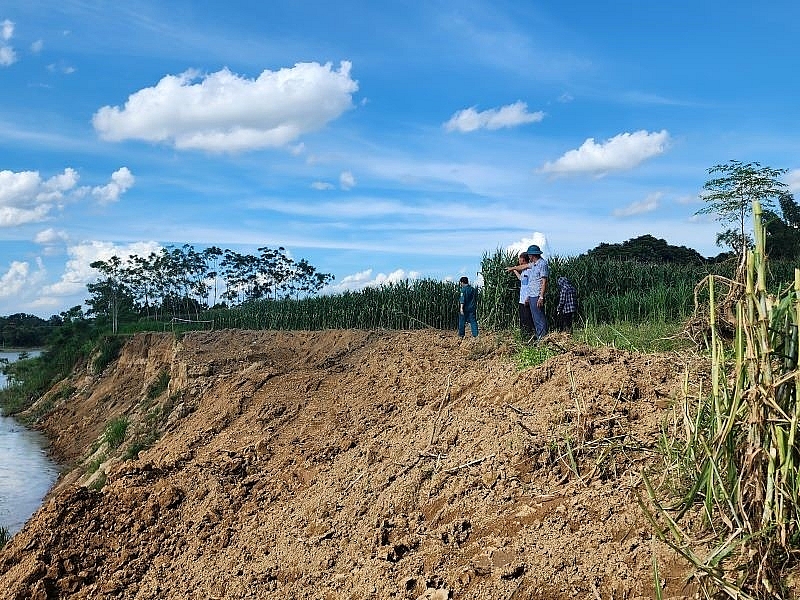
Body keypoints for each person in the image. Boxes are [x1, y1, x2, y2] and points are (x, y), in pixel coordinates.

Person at [506, 244, 548, 339]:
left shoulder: (542, 264)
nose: (529, 257)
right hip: (532, 295)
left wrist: (541, 297)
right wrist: (513, 268)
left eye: (529, 255)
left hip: (537, 295)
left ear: (532, 255)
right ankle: (539, 337)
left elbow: (544, 281)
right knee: (535, 318)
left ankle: (543, 337)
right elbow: (523, 267)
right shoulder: (533, 265)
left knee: (539, 318)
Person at [510, 252, 534, 339]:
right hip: (522, 299)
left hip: (526, 299)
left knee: (527, 318)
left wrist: (528, 297)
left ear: (523, 259)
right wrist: (514, 270)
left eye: (519, 259)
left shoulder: (530, 270)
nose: (518, 260)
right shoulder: (524, 271)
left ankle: (529, 336)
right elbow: (521, 279)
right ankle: (524, 336)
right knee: (523, 319)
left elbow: (531, 284)